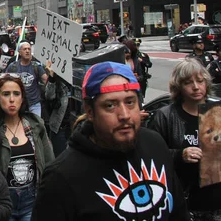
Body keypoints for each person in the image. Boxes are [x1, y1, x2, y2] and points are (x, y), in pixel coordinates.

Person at [32, 62, 189, 220]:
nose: (124, 115)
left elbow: (179, 212)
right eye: (110, 105)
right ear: (90, 111)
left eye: (130, 102)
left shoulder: (155, 144)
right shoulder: (60, 178)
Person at [149, 59, 221, 220]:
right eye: (188, 83)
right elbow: (151, 157)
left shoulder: (217, 111)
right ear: (179, 87)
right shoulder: (166, 116)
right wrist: (180, 155)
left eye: (200, 81)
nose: (196, 87)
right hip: (186, 205)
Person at [0, 75, 54, 221]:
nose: (11, 99)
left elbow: (49, 163)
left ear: (22, 98)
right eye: (6, 94)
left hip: (31, 201)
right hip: (3, 203)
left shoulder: (35, 124)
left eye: (16, 94)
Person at [4, 41, 48, 117]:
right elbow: (3, 81)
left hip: (34, 103)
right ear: (20, 52)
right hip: (18, 104)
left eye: (29, 49)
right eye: (24, 49)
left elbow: (46, 80)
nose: (27, 51)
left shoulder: (36, 66)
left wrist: (51, 72)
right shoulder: (13, 66)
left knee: (36, 126)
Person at [43, 62, 71, 157]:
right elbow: (49, 95)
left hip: (72, 128)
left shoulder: (75, 79)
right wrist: (51, 76)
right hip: (59, 128)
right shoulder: (57, 82)